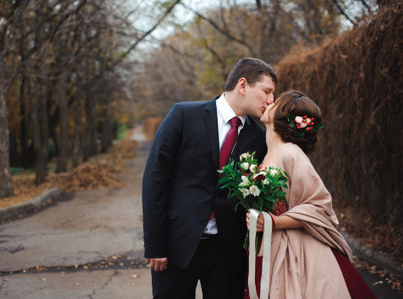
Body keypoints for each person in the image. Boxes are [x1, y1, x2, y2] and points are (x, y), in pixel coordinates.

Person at [142, 57, 277, 299]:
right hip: (176, 246)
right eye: (267, 91)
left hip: (229, 254)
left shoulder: (260, 137)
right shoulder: (183, 115)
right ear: (243, 85)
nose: (271, 101)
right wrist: (155, 244)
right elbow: (155, 179)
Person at [246, 90, 377, 298]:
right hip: (272, 245)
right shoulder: (269, 153)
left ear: (282, 115)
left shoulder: (291, 153)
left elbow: (320, 205)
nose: (269, 102)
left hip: (295, 251)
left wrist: (274, 222)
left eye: (276, 101)